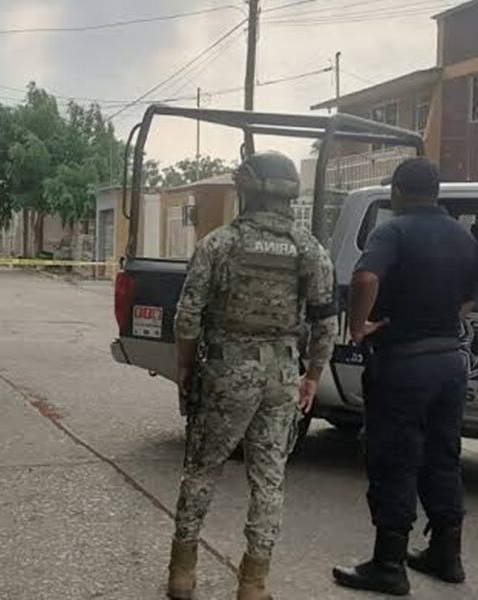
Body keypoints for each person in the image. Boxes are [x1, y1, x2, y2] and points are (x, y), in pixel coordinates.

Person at [166, 151, 338, 600]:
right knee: (269, 478)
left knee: (202, 469)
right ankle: (253, 582)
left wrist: (184, 368)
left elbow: (187, 317)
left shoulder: (218, 244)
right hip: (282, 374)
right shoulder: (309, 249)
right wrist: (313, 376)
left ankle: (182, 574)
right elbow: (325, 323)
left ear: (246, 189)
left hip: (226, 369)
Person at [333, 158, 478, 595]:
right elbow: (470, 300)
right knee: (443, 456)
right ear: (437, 192)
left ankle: (388, 566)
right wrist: (437, 318)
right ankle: (447, 556)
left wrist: (359, 327)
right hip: (450, 361)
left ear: (397, 191)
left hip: (405, 363)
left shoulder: (392, 230)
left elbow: (364, 277)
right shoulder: (462, 235)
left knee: (395, 458)